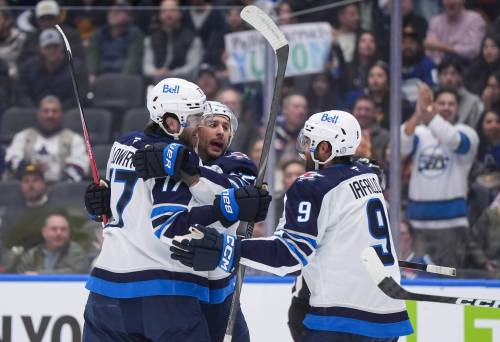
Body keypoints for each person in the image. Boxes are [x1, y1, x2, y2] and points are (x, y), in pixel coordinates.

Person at [170, 110, 414, 341]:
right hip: (389, 317)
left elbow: (289, 255)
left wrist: (228, 248)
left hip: (343, 318)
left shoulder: (311, 185)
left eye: (309, 143)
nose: (304, 151)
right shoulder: (368, 176)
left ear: (325, 149)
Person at [82, 78, 269, 341]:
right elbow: (165, 222)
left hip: (207, 289)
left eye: (225, 127)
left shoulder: (234, 163)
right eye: (207, 122)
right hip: (168, 284)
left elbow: (240, 195)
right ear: (175, 122)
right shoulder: (169, 154)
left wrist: (190, 170)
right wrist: (101, 204)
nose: (217, 131)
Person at [401, 84, 479, 268]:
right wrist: (418, 115)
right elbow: (401, 145)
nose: (446, 107)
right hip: (418, 223)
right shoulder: (420, 133)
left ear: (457, 108)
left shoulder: (467, 133)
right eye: (441, 103)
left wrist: (429, 116)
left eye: (451, 104)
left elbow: (453, 140)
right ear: (434, 105)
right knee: (417, 279)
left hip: (451, 223)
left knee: (449, 280)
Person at [5, 95, 89, 182]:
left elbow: (80, 166)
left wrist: (59, 185)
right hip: (28, 190)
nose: (50, 115)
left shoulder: (74, 139)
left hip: (61, 190)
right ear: (38, 114)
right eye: (45, 111)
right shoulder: (23, 136)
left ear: (61, 114)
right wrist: (32, 169)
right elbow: (11, 159)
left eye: (55, 111)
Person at [16, 28, 88, 109]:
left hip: (68, 114)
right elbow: (22, 95)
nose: (52, 50)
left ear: (62, 47)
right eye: (48, 47)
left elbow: (81, 97)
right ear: (41, 49)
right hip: (35, 113)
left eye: (55, 46)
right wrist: (38, 111)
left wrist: (57, 109)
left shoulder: (76, 68)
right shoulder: (28, 68)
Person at [86, 0, 144, 87]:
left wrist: (123, 79)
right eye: (111, 11)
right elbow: (93, 55)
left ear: (129, 16)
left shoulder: (135, 34)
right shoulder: (99, 33)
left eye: (118, 11)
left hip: (124, 80)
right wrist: (92, 73)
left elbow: (133, 60)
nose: (113, 13)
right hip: (100, 78)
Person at [143, 0, 202, 83]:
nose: (168, 14)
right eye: (164, 11)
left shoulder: (192, 39)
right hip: (157, 84)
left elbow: (193, 67)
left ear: (180, 13)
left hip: (184, 85)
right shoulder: (151, 39)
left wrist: (171, 74)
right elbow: (146, 66)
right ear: (159, 15)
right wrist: (156, 72)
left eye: (172, 10)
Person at [15, 213, 89, 274]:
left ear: (69, 232)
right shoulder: (32, 254)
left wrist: (39, 275)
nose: (59, 233)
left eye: (63, 229)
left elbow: (75, 273)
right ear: (44, 232)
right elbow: (21, 275)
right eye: (54, 229)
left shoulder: (77, 253)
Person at [424, 0, 486, 64]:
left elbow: (473, 51)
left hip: (466, 67)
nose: (451, 1)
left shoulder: (474, 20)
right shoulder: (435, 21)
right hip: (438, 67)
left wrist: (440, 46)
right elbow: (428, 50)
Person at [437, 57, 484, 128]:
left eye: (453, 74)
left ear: (460, 77)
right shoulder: (431, 97)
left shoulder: (473, 101)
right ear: (438, 77)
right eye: (445, 73)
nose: (449, 78)